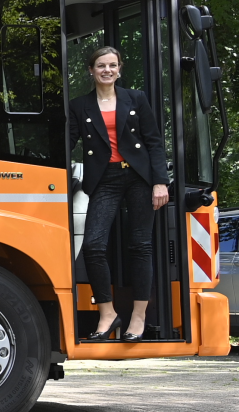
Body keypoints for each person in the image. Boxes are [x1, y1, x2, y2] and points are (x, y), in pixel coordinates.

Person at [68, 45, 169, 341]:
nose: (107, 70)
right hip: (104, 178)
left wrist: (160, 181)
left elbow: (154, 142)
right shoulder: (79, 106)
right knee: (93, 246)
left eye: (112, 65)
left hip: (138, 176)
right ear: (91, 70)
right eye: (101, 65)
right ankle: (108, 314)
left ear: (119, 69)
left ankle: (138, 316)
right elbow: (67, 141)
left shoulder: (136, 98)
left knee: (140, 246)